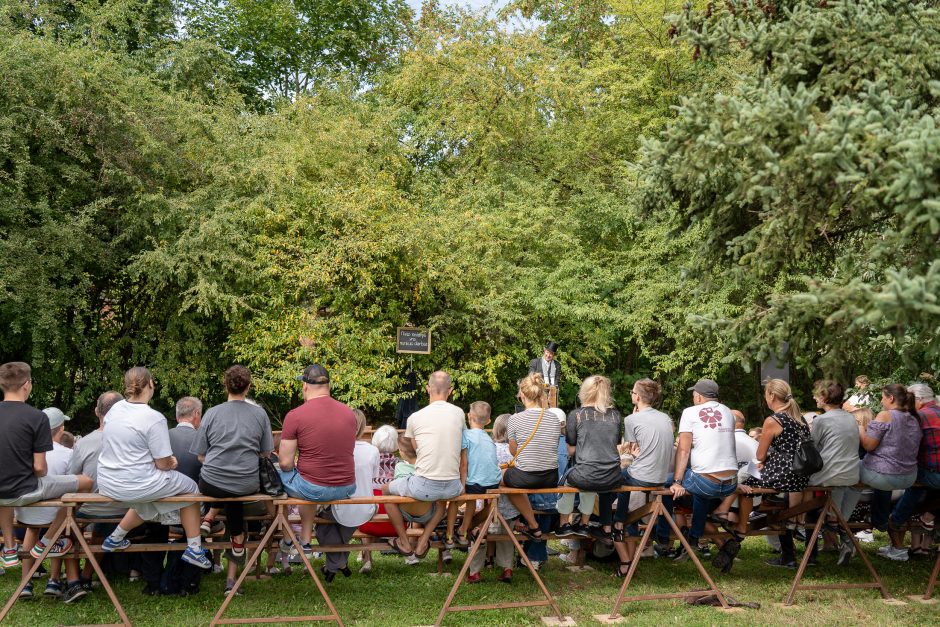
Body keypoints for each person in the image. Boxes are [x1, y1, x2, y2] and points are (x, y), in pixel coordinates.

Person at [96, 367, 212, 570]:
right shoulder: (154, 417)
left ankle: (116, 537)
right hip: (135, 482)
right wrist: (172, 462)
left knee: (149, 498)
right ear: (150, 384)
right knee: (191, 490)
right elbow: (163, 463)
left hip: (107, 482)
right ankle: (194, 548)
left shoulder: (114, 410)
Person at [0, 362, 93, 604]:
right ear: (27, 385)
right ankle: (47, 540)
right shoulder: (36, 417)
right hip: (28, 488)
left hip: (2, 492)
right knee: (85, 482)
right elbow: (41, 469)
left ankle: (9, 548)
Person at [192, 365, 273, 590]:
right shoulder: (259, 414)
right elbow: (266, 453)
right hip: (245, 482)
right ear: (248, 387)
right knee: (234, 492)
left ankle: (210, 519)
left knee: (226, 489)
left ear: (225, 385)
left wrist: (221, 464)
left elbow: (200, 455)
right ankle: (237, 539)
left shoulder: (212, 413)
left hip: (212, 481)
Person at [383, 371, 466, 560]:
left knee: (385, 491)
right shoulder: (459, 414)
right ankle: (423, 541)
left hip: (424, 485)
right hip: (453, 487)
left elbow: (417, 451)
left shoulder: (415, 418)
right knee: (442, 503)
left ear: (427, 389)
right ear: (450, 390)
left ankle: (404, 541)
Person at [278, 364, 357, 556]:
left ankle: (288, 537)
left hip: (314, 488)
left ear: (305, 386)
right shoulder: (349, 413)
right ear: (328, 385)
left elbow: (285, 463)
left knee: (277, 477)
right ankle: (305, 540)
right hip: (346, 487)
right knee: (310, 478)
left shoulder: (295, 415)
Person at [844, 384, 922, 561]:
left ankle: (838, 521)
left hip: (882, 475)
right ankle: (879, 520)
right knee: (879, 476)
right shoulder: (914, 417)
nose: (881, 400)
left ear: (891, 399)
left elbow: (869, 445)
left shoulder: (885, 415)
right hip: (909, 476)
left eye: (882, 397)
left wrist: (861, 428)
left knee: (845, 470)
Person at [742, 379, 811, 568]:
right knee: (756, 477)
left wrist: (763, 462)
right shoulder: (800, 418)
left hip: (783, 474)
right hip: (800, 474)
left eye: (766, 394)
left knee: (745, 475)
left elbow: (760, 454)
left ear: (771, 396)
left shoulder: (773, 420)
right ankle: (785, 542)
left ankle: (742, 521)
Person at [669, 378, 738, 565]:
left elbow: (683, 450)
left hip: (707, 482)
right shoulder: (729, 413)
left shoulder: (690, 413)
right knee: (701, 492)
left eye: (693, 396)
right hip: (731, 483)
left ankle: (663, 538)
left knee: (666, 483)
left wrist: (677, 480)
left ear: (699, 397)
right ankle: (694, 536)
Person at [609, 378, 674, 574]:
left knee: (616, 478)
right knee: (625, 479)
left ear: (637, 397)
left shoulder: (631, 419)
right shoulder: (666, 418)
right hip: (661, 477)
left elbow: (629, 448)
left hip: (642, 475)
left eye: (632, 392)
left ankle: (618, 521)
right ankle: (626, 522)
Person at [14, 408, 74, 600]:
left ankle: (26, 582)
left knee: (32, 530)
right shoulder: (67, 453)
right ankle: (54, 580)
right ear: (61, 428)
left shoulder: (23, 451)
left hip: (26, 513)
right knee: (61, 529)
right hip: (54, 517)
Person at [555, 376, 622, 547]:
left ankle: (564, 524)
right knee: (588, 473)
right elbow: (615, 445)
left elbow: (570, 451)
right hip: (612, 476)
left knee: (572, 478)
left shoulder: (576, 415)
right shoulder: (615, 415)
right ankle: (584, 524)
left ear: (584, 392)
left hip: (587, 475)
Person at [319, 409, 379, 581]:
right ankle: (339, 565)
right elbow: (373, 478)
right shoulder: (372, 450)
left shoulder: (335, 449)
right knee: (338, 529)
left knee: (323, 528)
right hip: (366, 507)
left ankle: (336, 564)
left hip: (342, 506)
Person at [501, 373, 560, 540]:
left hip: (526, 476)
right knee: (514, 478)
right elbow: (552, 447)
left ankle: (530, 524)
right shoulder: (554, 418)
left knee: (499, 478)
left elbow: (514, 452)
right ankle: (532, 526)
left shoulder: (515, 419)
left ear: (523, 394)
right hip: (551, 476)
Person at [807, 380, 860, 566]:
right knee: (841, 494)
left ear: (824, 397)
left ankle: (800, 532)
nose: (814, 397)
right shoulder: (851, 418)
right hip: (852, 473)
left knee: (802, 490)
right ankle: (845, 537)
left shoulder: (821, 420)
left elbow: (811, 449)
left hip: (828, 474)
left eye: (816, 394)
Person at [887, 384, 940, 552]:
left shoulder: (917, 416)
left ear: (919, 400)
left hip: (931, 473)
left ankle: (897, 519)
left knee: (913, 477)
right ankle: (927, 516)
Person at [447, 402, 501, 547]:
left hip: (475, 484)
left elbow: (464, 465)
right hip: (493, 483)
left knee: (460, 499)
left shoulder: (466, 435)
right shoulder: (489, 438)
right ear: (489, 421)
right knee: (480, 501)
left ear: (469, 416)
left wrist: (462, 484)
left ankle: (450, 534)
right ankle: (464, 530)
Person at [357, 424, 399, 574]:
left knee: (366, 513)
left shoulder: (368, 461)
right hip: (395, 524)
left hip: (369, 522)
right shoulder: (400, 465)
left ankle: (367, 559)